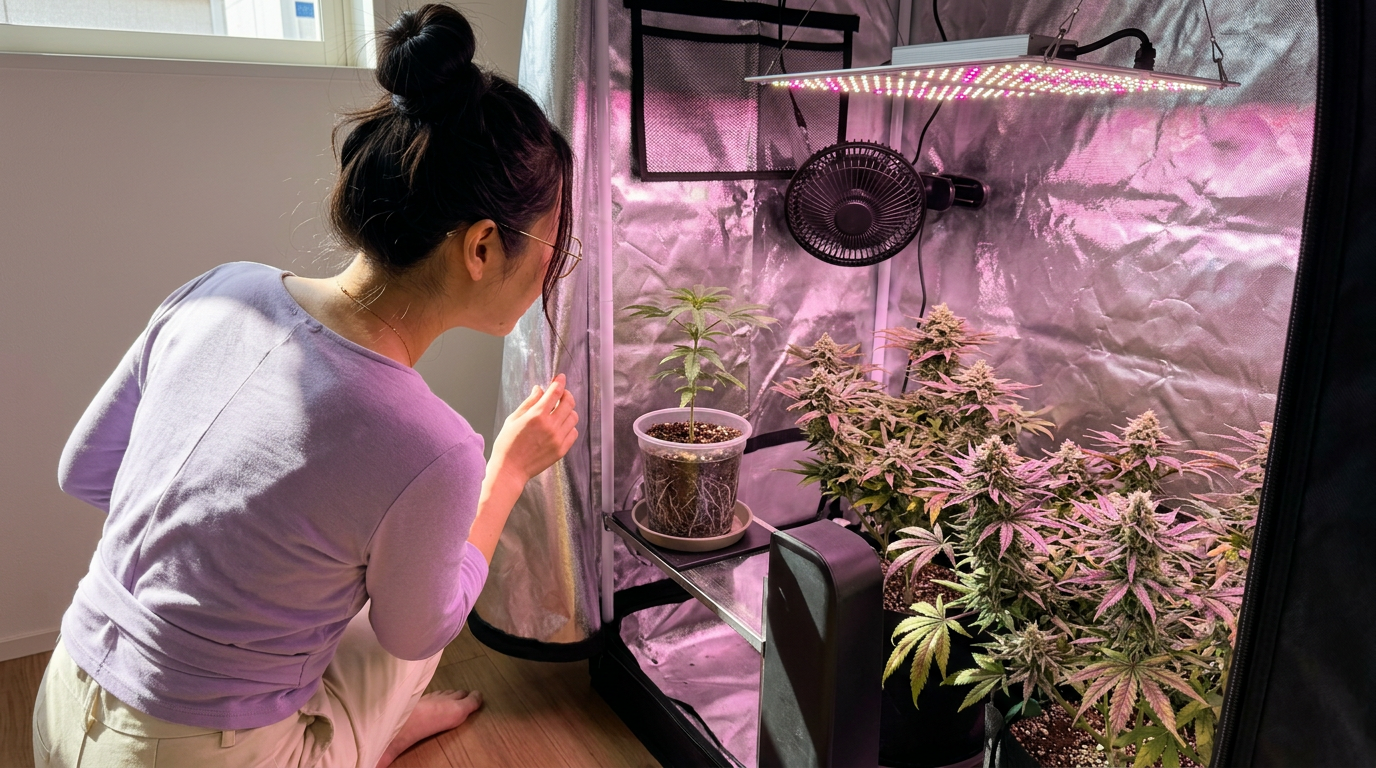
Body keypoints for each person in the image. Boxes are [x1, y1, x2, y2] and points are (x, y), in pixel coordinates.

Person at [31, 5, 581, 767]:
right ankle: (361, 736)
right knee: (421, 603)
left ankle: (350, 724)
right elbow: (420, 631)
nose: (555, 266)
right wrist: (509, 471)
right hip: (189, 754)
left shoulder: (221, 288)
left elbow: (84, 471)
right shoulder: (433, 446)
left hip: (63, 696)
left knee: (367, 575)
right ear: (482, 247)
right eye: (555, 246)